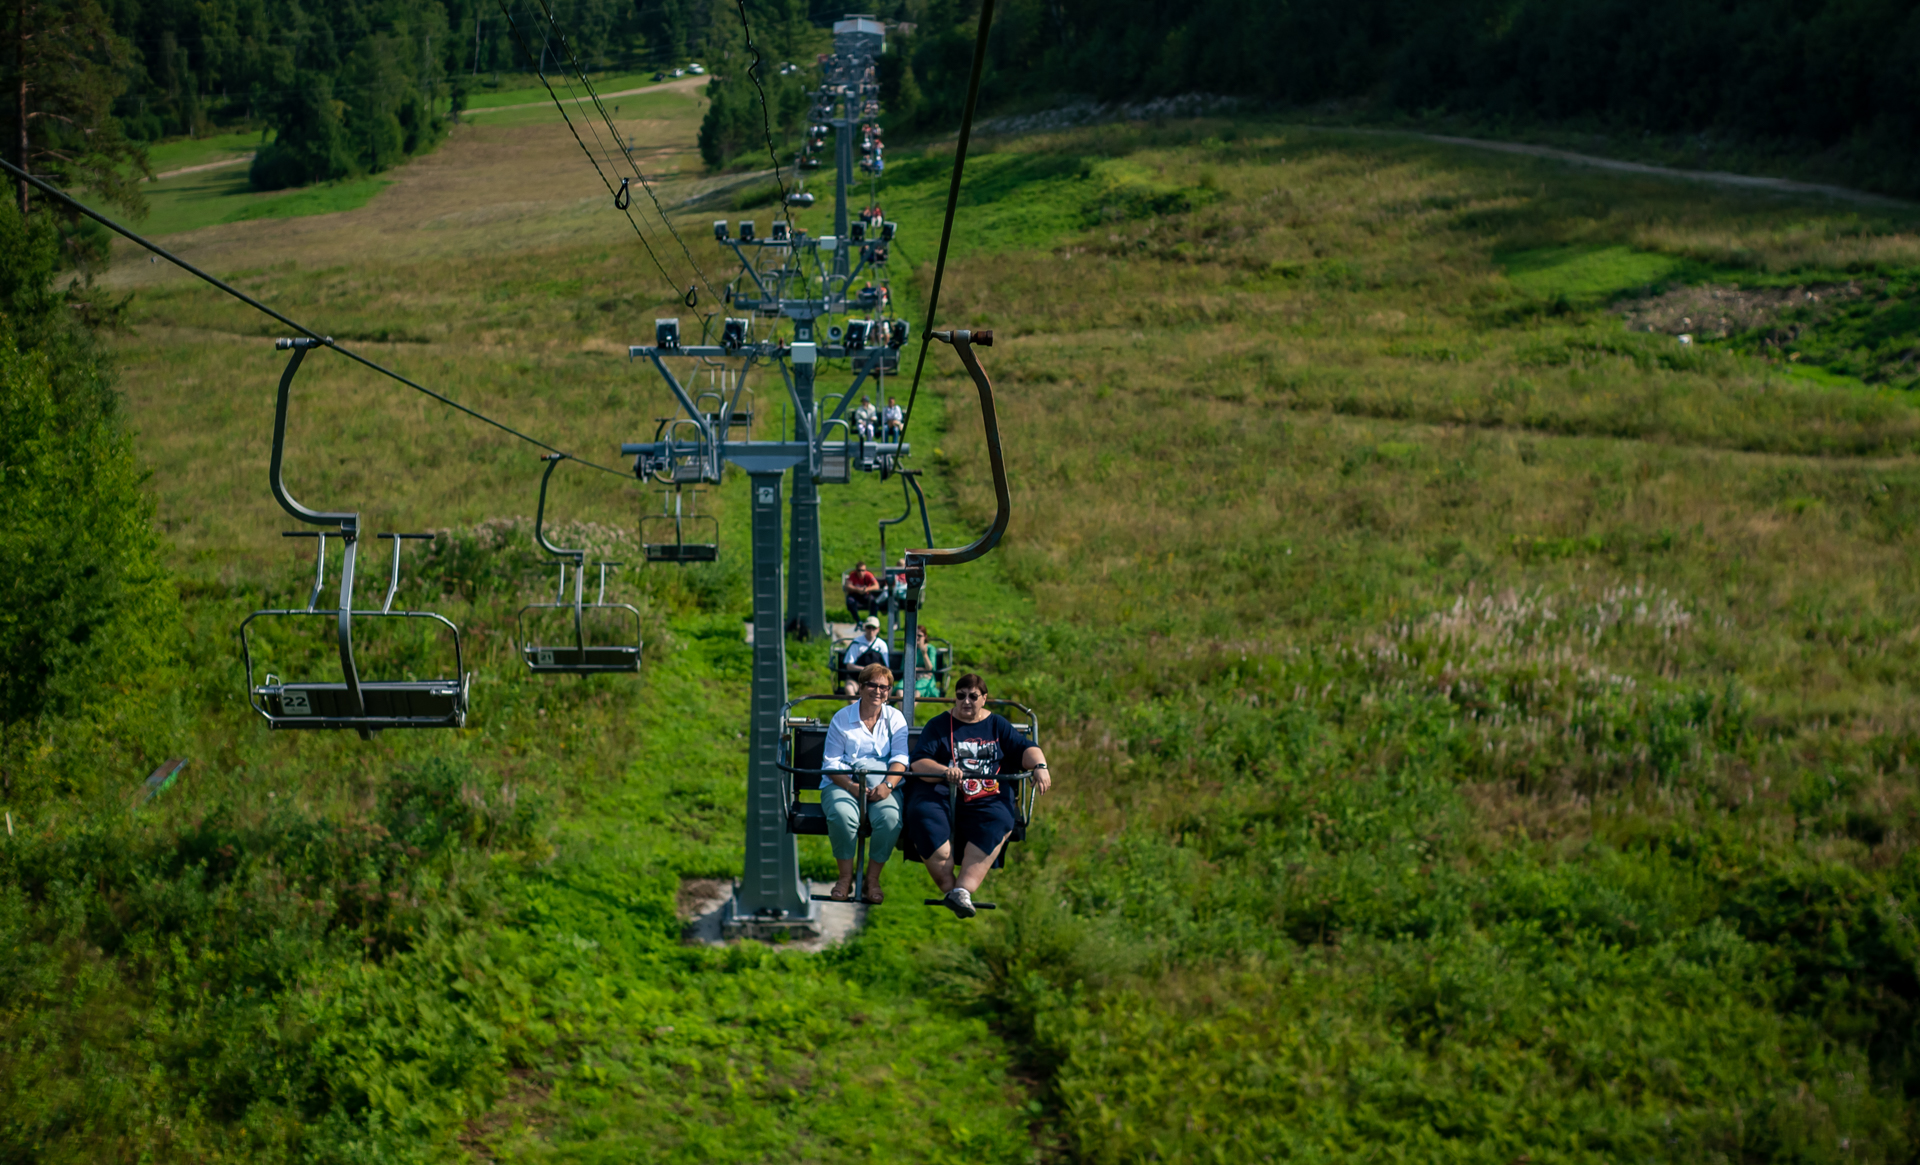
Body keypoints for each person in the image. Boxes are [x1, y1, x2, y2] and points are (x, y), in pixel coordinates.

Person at [906, 673, 1052, 918]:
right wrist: (944, 771)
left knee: (999, 819)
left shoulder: (997, 725)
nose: (966, 701)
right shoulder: (939, 725)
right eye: (961, 696)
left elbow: (1024, 749)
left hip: (988, 794)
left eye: (973, 696)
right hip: (942, 793)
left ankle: (963, 890)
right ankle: (950, 889)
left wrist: (1040, 766)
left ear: (984, 699)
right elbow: (919, 762)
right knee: (922, 814)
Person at [819, 663, 908, 904]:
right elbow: (831, 763)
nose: (878, 691)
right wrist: (850, 786)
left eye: (884, 687)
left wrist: (888, 786)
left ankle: (872, 879)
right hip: (844, 784)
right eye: (872, 685)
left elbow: (900, 758)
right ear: (861, 687)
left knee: (890, 819)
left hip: (881, 785)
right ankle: (845, 878)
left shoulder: (895, 718)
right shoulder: (842, 718)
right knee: (840, 815)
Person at [841, 617, 888, 694]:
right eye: (869, 627)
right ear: (865, 628)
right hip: (857, 678)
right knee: (849, 688)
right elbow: (849, 665)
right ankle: (855, 706)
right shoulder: (857, 643)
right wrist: (865, 669)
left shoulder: (882, 645)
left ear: (878, 629)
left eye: (874, 628)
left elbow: (886, 667)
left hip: (876, 680)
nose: (871, 630)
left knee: (887, 689)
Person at [911, 625, 940, 698]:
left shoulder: (930, 649)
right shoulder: (910, 649)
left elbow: (930, 669)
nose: (917, 638)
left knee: (918, 690)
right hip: (911, 677)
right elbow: (905, 668)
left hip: (926, 678)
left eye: (919, 636)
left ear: (925, 637)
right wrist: (920, 671)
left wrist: (924, 654)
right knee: (900, 690)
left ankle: (908, 709)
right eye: (914, 635)